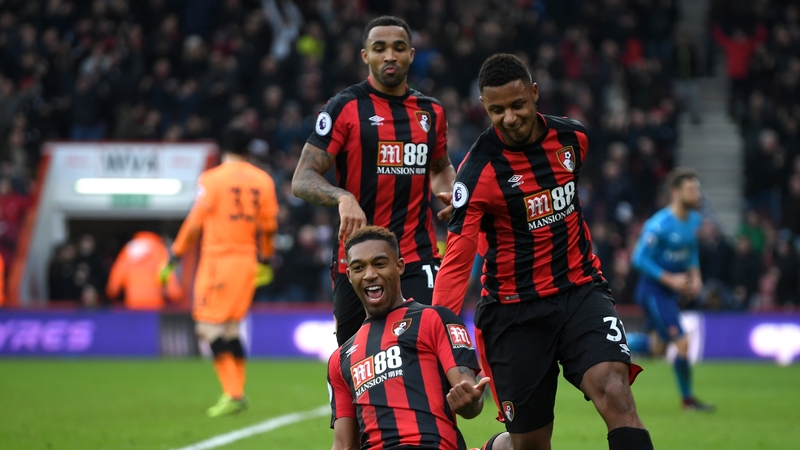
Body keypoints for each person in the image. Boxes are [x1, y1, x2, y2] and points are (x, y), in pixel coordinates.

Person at [433, 54, 654, 450]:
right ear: (484, 107)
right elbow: (456, 262)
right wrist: (438, 337)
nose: (510, 118)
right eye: (497, 110)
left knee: (616, 392)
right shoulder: (478, 171)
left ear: (535, 94)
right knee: (530, 445)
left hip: (579, 291)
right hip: (514, 314)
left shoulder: (573, 139)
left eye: (518, 105)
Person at [292, 15, 456, 346]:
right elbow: (302, 178)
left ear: (411, 54)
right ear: (366, 56)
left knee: (423, 351)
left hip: (415, 255)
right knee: (357, 362)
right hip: (355, 258)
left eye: (398, 48)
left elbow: (440, 167)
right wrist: (343, 198)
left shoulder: (431, 112)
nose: (390, 56)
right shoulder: (345, 107)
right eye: (379, 48)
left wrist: (451, 193)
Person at [327, 226, 488, 450]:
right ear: (350, 275)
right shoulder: (340, 358)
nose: (370, 274)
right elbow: (344, 446)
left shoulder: (434, 319)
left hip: (434, 445)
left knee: (510, 443)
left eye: (380, 264)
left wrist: (470, 402)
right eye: (358, 267)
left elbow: (468, 394)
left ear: (399, 266)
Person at [161, 126, 279, 417]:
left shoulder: (212, 179)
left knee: (207, 326)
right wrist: (265, 260)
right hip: (248, 261)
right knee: (229, 327)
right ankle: (236, 392)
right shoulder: (263, 181)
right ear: (248, 150)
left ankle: (233, 392)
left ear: (222, 149)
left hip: (218, 260)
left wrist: (174, 256)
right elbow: (270, 226)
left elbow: (194, 223)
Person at [631, 167, 714, 411]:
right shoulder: (659, 225)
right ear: (675, 193)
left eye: (697, 188)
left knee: (657, 348)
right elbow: (639, 258)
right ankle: (688, 400)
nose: (696, 193)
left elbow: (690, 251)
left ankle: (617, 342)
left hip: (669, 293)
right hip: (653, 292)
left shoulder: (694, 221)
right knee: (683, 343)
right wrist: (671, 279)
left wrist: (695, 276)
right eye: (691, 189)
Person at [106, 230, 182, 310]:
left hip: (133, 302)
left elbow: (118, 272)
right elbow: (166, 272)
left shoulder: (129, 248)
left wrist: (112, 291)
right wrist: (175, 294)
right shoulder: (158, 248)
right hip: (154, 303)